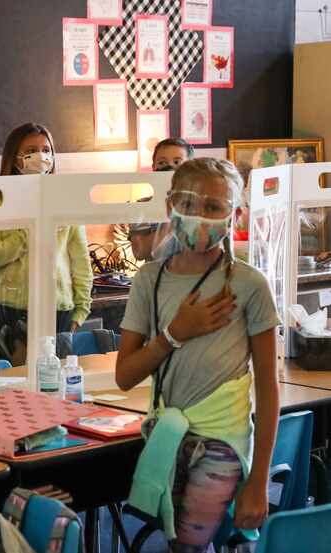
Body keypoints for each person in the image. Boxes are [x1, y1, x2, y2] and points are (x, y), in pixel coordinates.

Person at [116, 158, 279, 552]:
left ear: (234, 213)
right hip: (167, 437)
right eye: (188, 204)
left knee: (189, 544)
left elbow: (268, 388)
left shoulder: (249, 285)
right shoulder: (148, 281)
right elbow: (125, 375)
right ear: (169, 205)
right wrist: (174, 333)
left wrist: (258, 480)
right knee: (177, 542)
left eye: (213, 207)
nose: (199, 217)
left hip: (222, 439)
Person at [0, 123, 93, 364]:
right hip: (10, 308)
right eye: (31, 149)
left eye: (46, 149)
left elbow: (80, 261)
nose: (41, 156)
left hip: (58, 308)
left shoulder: (65, 199)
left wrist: (80, 310)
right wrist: (29, 232)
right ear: (15, 156)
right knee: (16, 383)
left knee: (54, 379)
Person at [129, 139, 196, 263]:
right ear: (154, 168)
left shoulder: (201, 205)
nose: (169, 167)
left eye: (177, 162)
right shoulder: (142, 207)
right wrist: (171, 218)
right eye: (162, 162)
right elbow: (139, 252)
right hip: (156, 278)